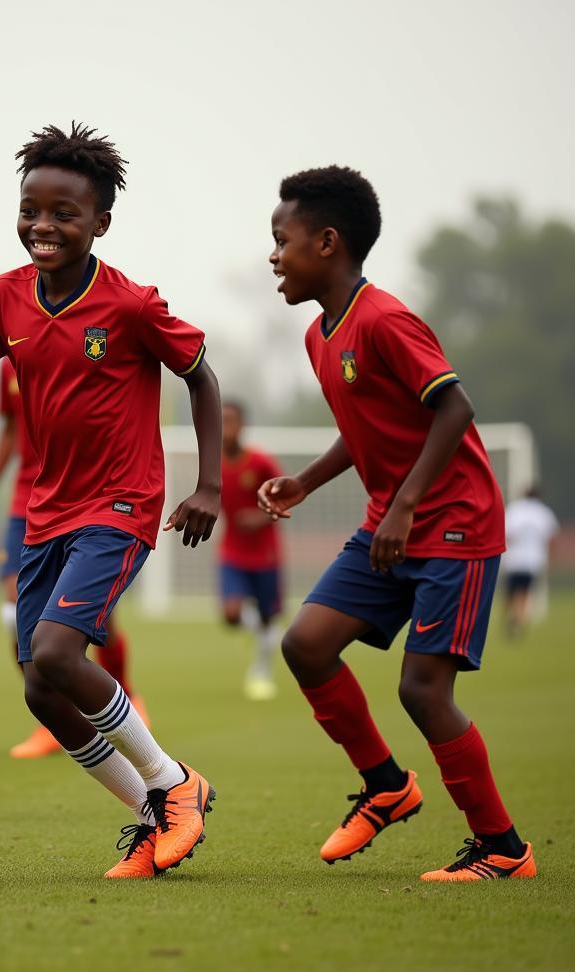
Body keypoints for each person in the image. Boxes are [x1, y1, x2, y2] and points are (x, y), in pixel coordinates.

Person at [0, 123, 220, 879]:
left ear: (100, 222)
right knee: (42, 689)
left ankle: (175, 788)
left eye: (63, 214)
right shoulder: (1, 299)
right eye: (30, 209)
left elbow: (202, 374)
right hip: (46, 510)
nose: (42, 225)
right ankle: (150, 816)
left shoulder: (132, 304)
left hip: (122, 503)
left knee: (57, 653)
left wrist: (208, 484)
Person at [260, 166, 534, 882]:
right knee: (307, 646)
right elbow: (369, 427)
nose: (273, 256)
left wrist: (407, 505)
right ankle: (386, 786)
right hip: (392, 523)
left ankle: (503, 849)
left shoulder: (385, 319)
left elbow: (454, 408)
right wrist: (305, 480)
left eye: (280, 240)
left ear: (328, 242)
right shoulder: (322, 336)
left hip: (455, 526)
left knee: (422, 690)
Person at [0, 356, 151, 758]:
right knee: (15, 612)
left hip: (83, 497)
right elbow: (10, 429)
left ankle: (127, 696)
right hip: (28, 500)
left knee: (95, 616)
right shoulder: (8, 364)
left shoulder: (84, 341)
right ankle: (51, 719)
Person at [218, 398, 284, 701]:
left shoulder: (260, 462)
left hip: (265, 554)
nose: (225, 426)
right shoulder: (213, 462)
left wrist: (259, 518)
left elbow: (284, 499)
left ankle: (261, 670)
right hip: (232, 551)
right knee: (231, 614)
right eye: (221, 420)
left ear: (243, 425)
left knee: (268, 616)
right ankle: (264, 635)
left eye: (231, 420)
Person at [501, 486, 558, 637]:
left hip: (513, 560)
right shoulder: (544, 513)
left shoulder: (515, 510)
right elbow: (551, 539)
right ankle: (518, 622)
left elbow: (507, 535)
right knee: (524, 594)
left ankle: (509, 620)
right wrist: (550, 561)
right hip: (533, 562)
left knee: (510, 593)